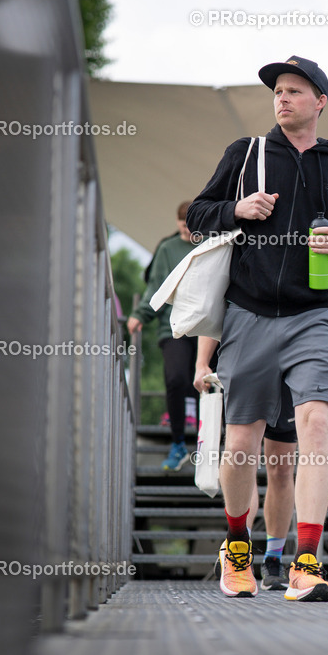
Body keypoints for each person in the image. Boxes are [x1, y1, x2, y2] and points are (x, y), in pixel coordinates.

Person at [186, 55, 328, 600]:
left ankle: (306, 562)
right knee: (242, 438)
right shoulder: (244, 155)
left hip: (315, 315)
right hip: (248, 313)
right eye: (278, 91)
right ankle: (238, 546)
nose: (283, 98)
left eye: (294, 90)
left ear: (320, 102)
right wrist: (236, 210)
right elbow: (199, 213)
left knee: (317, 423)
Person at [195, 338, 298, 592]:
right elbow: (212, 299)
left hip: (289, 358)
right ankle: (240, 548)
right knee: (243, 457)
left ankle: (273, 560)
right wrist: (202, 362)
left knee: (282, 467)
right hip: (246, 353)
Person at [127, 201, 198, 471]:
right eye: (183, 223)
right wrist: (141, 314)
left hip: (205, 328)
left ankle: (210, 446)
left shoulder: (210, 246)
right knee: (176, 377)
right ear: (177, 223)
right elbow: (156, 287)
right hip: (174, 325)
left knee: (208, 383)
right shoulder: (168, 249)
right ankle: (178, 442)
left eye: (191, 222)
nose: (187, 227)